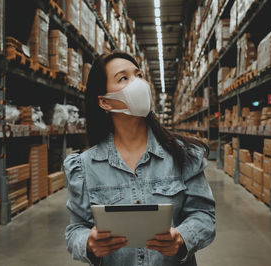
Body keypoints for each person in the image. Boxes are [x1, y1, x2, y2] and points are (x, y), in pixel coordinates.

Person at [64, 51, 216, 266]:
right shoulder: (85, 166)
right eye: (123, 78)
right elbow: (75, 230)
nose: (138, 84)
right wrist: (88, 243)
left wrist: (182, 238)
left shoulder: (183, 155)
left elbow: (204, 216)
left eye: (139, 75)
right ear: (106, 102)